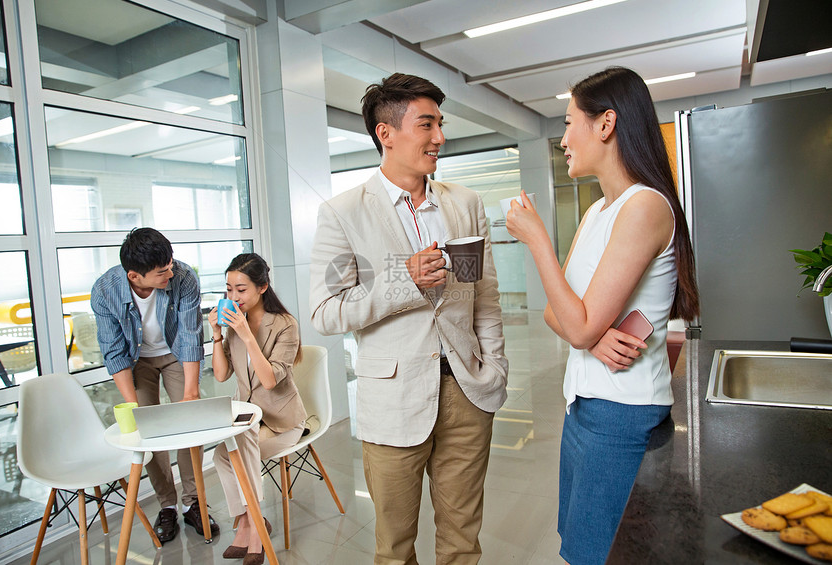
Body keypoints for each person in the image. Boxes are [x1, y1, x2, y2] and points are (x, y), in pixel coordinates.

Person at [309, 73, 509, 564]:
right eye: (427, 124)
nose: (439, 137)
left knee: (463, 537)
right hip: (393, 401)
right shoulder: (344, 213)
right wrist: (403, 281)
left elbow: (482, 294)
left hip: (466, 391)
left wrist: (495, 367)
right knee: (395, 547)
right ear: (387, 133)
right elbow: (325, 312)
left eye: (440, 124)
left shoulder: (464, 204)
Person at [505, 66, 699, 565]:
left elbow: (579, 321)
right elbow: (558, 313)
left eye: (570, 122)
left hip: (623, 415)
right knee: (580, 546)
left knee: (603, 554)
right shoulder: (597, 211)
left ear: (606, 124)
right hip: (584, 407)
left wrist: (537, 241)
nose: (563, 138)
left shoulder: (645, 207)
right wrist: (589, 337)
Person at [90, 227, 218, 542]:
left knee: (190, 424)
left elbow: (190, 336)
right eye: (162, 272)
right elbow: (114, 351)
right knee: (147, 428)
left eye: (171, 265)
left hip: (176, 353)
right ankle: (168, 505)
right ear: (135, 276)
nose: (170, 274)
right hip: (138, 360)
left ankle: (194, 502)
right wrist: (133, 406)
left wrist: (191, 394)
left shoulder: (184, 277)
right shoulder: (105, 291)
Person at [208, 253, 306, 565]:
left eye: (241, 290)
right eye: (228, 290)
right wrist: (217, 335)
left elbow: (269, 380)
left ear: (262, 287)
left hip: (282, 423)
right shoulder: (232, 323)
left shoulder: (285, 325)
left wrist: (247, 335)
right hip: (248, 420)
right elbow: (222, 375)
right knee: (221, 453)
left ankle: (253, 526)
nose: (233, 297)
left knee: (238, 445)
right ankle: (251, 520)